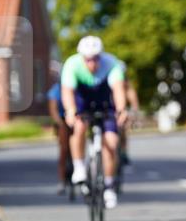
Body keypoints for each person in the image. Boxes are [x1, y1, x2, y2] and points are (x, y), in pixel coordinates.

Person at [60, 36, 128, 210]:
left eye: (95, 58)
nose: (92, 63)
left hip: (105, 102)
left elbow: (119, 90)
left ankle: (109, 185)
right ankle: (79, 167)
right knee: (79, 126)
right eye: (88, 59)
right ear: (82, 58)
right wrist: (70, 111)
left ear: (101, 56)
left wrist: (121, 110)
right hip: (82, 101)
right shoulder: (72, 64)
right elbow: (67, 92)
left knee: (111, 142)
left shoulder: (111, 64)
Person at [46, 66, 71, 195]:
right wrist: (60, 123)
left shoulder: (74, 87)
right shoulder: (55, 91)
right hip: (62, 120)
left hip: (74, 116)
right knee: (63, 150)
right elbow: (53, 110)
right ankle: (61, 181)